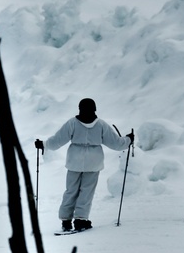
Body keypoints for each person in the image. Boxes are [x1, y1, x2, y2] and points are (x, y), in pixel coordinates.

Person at [35, 98, 133, 232]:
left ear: (79, 109)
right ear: (94, 109)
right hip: (93, 163)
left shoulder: (72, 123)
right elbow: (116, 143)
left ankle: (66, 220)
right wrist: (128, 139)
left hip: (74, 161)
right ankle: (81, 220)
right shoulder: (101, 125)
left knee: (71, 190)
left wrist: (44, 144)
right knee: (86, 191)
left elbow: (57, 140)